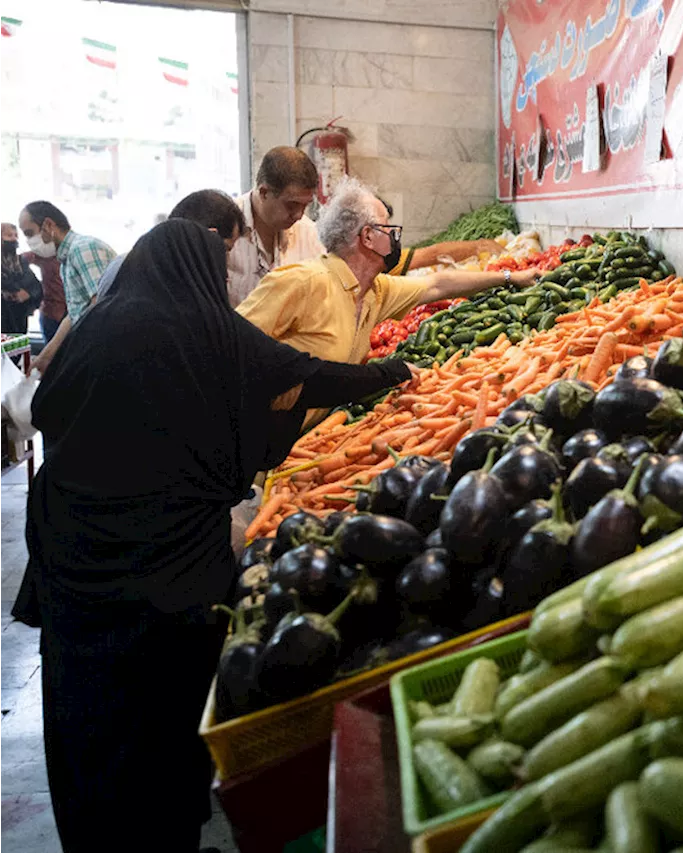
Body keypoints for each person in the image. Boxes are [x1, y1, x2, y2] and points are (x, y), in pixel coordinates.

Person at [23, 219, 420, 853]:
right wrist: (389, 373)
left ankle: (94, 834)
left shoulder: (97, 326)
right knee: (164, 701)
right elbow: (305, 374)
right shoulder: (205, 330)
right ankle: (167, 833)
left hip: (73, 552)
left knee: (85, 706)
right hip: (168, 559)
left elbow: (46, 411)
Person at [237, 175, 538, 371]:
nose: (396, 237)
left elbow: (437, 284)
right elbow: (227, 347)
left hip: (307, 435)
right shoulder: (301, 281)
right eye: (389, 229)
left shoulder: (374, 290)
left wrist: (511, 278)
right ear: (367, 237)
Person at [229, 147, 501, 307]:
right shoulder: (221, 229)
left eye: (305, 205)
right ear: (264, 192)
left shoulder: (307, 233)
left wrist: (504, 274)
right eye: (291, 205)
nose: (299, 215)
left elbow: (431, 282)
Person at [95, 189, 247, 302]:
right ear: (209, 237)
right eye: (225, 250)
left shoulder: (123, 266)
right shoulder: (185, 290)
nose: (226, 262)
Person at [19, 201, 116, 373]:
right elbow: (75, 314)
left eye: (30, 233)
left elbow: (101, 306)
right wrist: (44, 358)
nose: (29, 242)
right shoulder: (66, 260)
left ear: (48, 225)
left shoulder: (82, 248)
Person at [0, 222, 42, 335]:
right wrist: (17, 290)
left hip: (18, 317)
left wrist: (28, 293)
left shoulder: (20, 261)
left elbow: (36, 285)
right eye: (9, 235)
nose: (14, 239)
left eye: (15, 235)